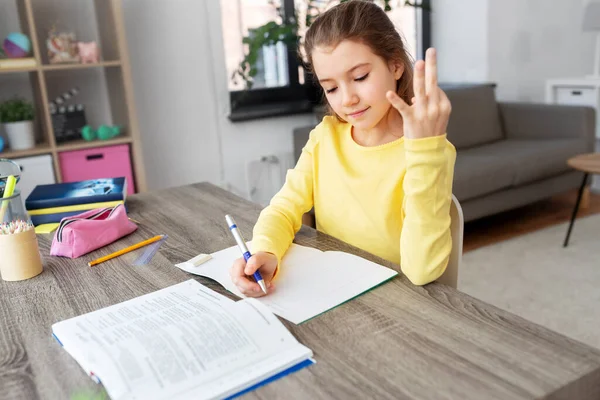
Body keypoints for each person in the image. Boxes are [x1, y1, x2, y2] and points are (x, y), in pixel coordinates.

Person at [230, 0, 456, 297]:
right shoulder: (325, 138)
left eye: (360, 77)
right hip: (332, 291)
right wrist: (266, 251)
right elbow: (283, 209)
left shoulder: (427, 152)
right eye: (332, 88)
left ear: (396, 65)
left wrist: (425, 151)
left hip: (396, 300)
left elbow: (422, 270)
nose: (347, 98)